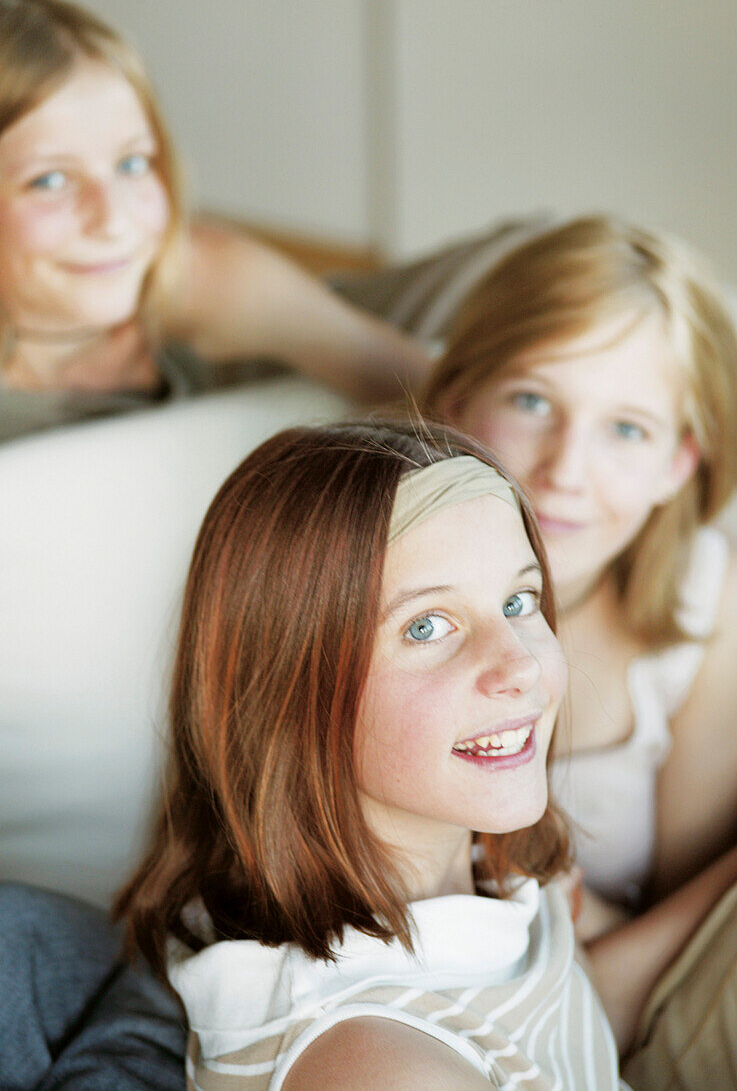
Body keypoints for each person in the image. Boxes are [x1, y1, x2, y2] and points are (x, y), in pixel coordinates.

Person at [115, 419, 737, 1089]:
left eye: (517, 601)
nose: (519, 664)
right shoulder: (376, 1063)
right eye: (426, 626)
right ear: (288, 689)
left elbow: (572, 1025)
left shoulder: (470, 879)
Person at [417, 214, 737, 938]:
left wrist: (600, 971)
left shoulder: (707, 603)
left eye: (625, 430)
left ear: (677, 465)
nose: (563, 473)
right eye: (532, 402)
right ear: (458, 403)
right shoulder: (368, 572)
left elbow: (683, 920)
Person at [0, 0, 427, 442]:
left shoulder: (200, 277)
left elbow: (422, 388)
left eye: (133, 163)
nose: (113, 220)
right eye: (48, 181)